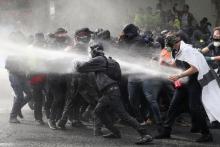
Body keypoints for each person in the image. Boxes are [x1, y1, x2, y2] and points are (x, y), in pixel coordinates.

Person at [75, 43, 153, 145]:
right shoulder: (107, 60)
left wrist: (76, 61)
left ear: (95, 51)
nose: (90, 53)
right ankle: (115, 132)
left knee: (124, 115)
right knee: (98, 111)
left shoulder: (99, 59)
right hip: (110, 91)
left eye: (91, 51)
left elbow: (81, 68)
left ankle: (145, 134)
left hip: (110, 92)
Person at [155, 32, 214, 142]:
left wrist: (178, 75)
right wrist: (166, 62)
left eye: (169, 41)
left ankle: (206, 134)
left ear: (177, 41)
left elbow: (195, 68)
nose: (167, 43)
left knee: (194, 107)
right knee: (173, 106)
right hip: (184, 81)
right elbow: (177, 64)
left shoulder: (187, 50)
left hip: (194, 81)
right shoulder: (176, 50)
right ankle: (166, 131)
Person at [201, 26, 220, 128]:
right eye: (214, 34)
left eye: (218, 35)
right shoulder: (213, 43)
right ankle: (215, 120)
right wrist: (196, 52)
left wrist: (210, 58)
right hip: (216, 71)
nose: (215, 36)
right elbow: (203, 50)